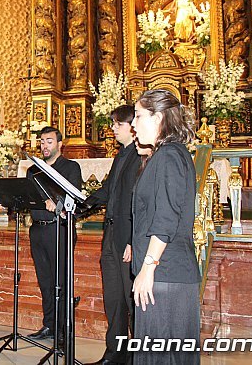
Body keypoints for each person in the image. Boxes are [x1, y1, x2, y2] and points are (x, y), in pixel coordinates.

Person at [130, 90, 200, 364]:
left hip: (165, 274)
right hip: (166, 272)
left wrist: (148, 269)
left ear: (158, 118)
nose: (133, 124)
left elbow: (166, 218)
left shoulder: (169, 156)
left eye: (138, 116)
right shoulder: (167, 155)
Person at [84, 105, 141, 365]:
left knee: (132, 301)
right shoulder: (121, 156)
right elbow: (107, 191)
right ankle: (115, 353)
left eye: (118, 124)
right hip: (110, 235)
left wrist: (133, 240)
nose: (113, 129)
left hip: (127, 239)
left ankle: (137, 357)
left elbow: (139, 202)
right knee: (114, 299)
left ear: (132, 126)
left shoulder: (141, 156)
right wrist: (79, 206)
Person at [26, 126, 82, 342]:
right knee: (45, 281)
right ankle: (49, 324)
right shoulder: (34, 170)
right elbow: (30, 196)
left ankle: (63, 328)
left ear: (60, 144)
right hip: (37, 229)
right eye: (42, 141)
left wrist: (57, 203)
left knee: (61, 281)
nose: (44, 146)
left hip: (59, 229)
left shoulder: (70, 167)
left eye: (49, 141)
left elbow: (74, 196)